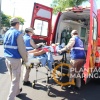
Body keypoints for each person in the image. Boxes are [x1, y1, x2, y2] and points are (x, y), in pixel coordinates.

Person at [4, 17, 27, 100]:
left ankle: (17, 92)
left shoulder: (7, 33)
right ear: (17, 24)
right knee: (15, 80)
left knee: (13, 78)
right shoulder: (18, 33)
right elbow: (22, 49)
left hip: (7, 59)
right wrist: (25, 59)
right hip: (15, 60)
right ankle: (10, 98)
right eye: (19, 24)